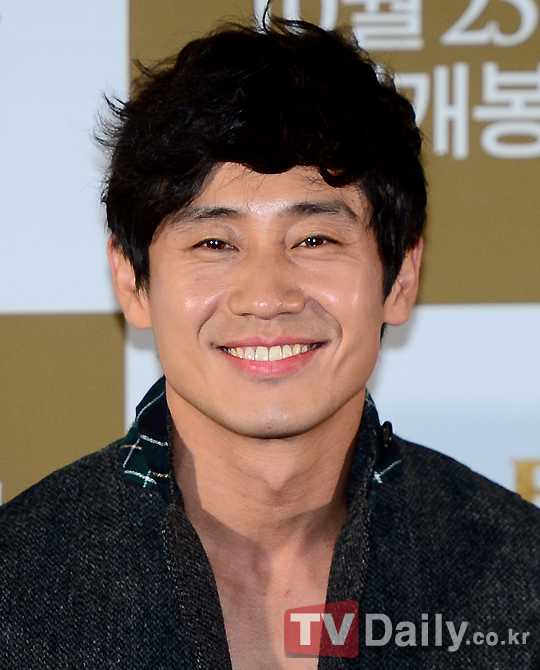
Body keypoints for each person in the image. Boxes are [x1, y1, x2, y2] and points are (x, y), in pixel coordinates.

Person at [1, 15, 540, 670]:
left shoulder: (519, 580)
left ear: (400, 278)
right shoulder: (18, 584)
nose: (266, 295)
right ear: (132, 281)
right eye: (215, 243)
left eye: (314, 240)